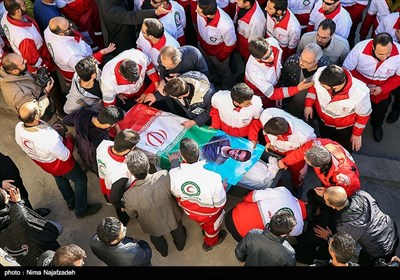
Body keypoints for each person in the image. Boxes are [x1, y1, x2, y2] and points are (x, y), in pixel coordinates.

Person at [15, 101, 102, 218]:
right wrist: (68, 139)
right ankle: (81, 209)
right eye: (38, 108)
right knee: (81, 180)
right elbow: (65, 155)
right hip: (60, 164)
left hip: (43, 162)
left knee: (60, 179)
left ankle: (71, 202)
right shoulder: (47, 137)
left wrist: (51, 129)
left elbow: (40, 134)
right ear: (36, 116)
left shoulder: (19, 127)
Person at [1, 0, 65, 115]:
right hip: (42, 63)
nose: (26, 3)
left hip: (29, 54)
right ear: (18, 11)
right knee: (53, 87)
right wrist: (49, 66)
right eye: (23, 4)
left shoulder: (6, 16)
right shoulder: (24, 37)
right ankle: (61, 111)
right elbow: (33, 59)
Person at [123, 150, 187, 257]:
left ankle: (163, 252)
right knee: (178, 231)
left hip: (151, 224)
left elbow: (131, 214)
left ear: (130, 172)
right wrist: (174, 162)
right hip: (172, 215)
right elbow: (175, 175)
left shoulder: (128, 195)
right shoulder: (163, 175)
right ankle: (180, 246)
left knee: (156, 239)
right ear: (148, 165)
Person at [316, 187, 399, 267]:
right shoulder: (363, 195)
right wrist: (328, 192)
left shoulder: (346, 226)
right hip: (391, 231)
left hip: (380, 250)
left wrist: (329, 237)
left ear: (332, 206)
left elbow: (344, 247)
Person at [169, 138, 227, 251]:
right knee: (212, 230)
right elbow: (220, 203)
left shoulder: (173, 174)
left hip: (190, 212)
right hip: (210, 215)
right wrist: (223, 187)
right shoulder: (213, 178)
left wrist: (173, 162)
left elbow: (176, 194)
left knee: (201, 222)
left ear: (181, 156)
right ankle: (210, 243)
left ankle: (203, 227)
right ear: (200, 153)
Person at [343, 33, 400, 143]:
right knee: (355, 111)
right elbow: (347, 70)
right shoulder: (359, 49)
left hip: (382, 93)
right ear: (373, 47)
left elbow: (398, 77)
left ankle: (377, 125)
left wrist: (382, 88)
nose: (385, 57)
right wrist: (364, 85)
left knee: (379, 112)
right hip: (359, 90)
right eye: (380, 54)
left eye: (388, 53)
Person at [304, 65, 372, 152]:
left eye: (324, 86)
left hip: (344, 129)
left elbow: (363, 116)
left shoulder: (360, 93)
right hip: (323, 122)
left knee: (343, 149)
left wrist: (356, 134)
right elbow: (313, 88)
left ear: (335, 87)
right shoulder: (321, 75)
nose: (321, 86)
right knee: (325, 143)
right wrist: (308, 105)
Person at [249, 107, 316, 192]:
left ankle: (297, 186)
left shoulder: (305, 136)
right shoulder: (267, 114)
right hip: (275, 147)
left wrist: (285, 161)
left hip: (295, 152)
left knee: (299, 173)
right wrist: (258, 139)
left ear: (279, 136)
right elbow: (257, 123)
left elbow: (304, 151)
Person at [244, 36, 313, 108]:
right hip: (261, 93)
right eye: (266, 58)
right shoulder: (255, 73)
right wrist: (297, 89)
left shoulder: (273, 42)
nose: (271, 57)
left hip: (276, 83)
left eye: (270, 52)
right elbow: (272, 94)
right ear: (257, 59)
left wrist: (280, 91)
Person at [44, 16, 115, 85]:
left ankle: (68, 83)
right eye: (68, 28)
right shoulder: (71, 55)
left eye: (68, 23)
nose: (71, 26)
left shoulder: (48, 31)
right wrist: (101, 53)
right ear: (61, 34)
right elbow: (85, 67)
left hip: (64, 66)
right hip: (74, 69)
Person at [0, 188, 62, 266]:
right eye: (5, 194)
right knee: (59, 227)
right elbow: (52, 232)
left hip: (22, 261)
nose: (8, 195)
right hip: (44, 256)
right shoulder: (19, 214)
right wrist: (18, 203)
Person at [225, 186, 306, 242]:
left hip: (230, 217)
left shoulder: (284, 192)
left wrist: (245, 202)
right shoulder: (298, 228)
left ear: (305, 202)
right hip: (242, 237)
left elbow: (252, 195)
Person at [62, 105, 124, 175]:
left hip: (81, 148)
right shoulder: (103, 140)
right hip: (91, 160)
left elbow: (66, 120)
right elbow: (99, 167)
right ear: (108, 125)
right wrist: (118, 130)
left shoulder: (84, 113)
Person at [95, 0, 169, 58]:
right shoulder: (109, 10)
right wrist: (155, 12)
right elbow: (131, 17)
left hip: (129, 30)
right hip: (121, 39)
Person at [201, 134, 278, 190]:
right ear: (239, 149)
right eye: (239, 152)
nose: (235, 154)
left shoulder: (219, 162)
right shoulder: (226, 139)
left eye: (237, 157)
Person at [96, 129, 140, 225]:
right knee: (120, 209)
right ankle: (123, 220)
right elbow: (115, 198)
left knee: (108, 196)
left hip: (104, 179)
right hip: (116, 189)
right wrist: (122, 205)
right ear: (128, 150)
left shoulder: (103, 145)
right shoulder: (122, 170)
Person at [0, 53, 57, 124]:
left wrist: (34, 75)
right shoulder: (19, 96)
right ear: (14, 70)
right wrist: (46, 91)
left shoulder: (9, 71)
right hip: (43, 116)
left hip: (40, 99)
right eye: (23, 62)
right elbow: (34, 115)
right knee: (53, 125)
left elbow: (22, 77)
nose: (26, 61)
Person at [145, 71, 215, 128]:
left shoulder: (208, 96)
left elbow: (209, 112)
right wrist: (156, 96)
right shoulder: (179, 83)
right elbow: (169, 91)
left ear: (181, 97)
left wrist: (194, 122)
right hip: (191, 114)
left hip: (208, 121)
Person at [279, 43, 329, 120]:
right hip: (291, 104)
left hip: (312, 109)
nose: (301, 62)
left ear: (316, 62)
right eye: (301, 58)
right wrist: (281, 94)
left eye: (306, 62)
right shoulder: (292, 62)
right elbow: (284, 79)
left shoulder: (324, 71)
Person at [196, 0, 237, 90]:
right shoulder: (201, 11)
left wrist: (221, 57)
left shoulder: (226, 25)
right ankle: (216, 79)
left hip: (218, 53)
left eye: (198, 11)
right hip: (204, 47)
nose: (196, 11)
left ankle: (227, 87)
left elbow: (231, 44)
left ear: (207, 14)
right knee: (210, 66)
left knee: (224, 72)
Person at [0, 152, 50, 217]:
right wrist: (1, 184)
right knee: (12, 205)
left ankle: (32, 215)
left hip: (9, 174)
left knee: (22, 195)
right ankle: (28, 219)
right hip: (4, 186)